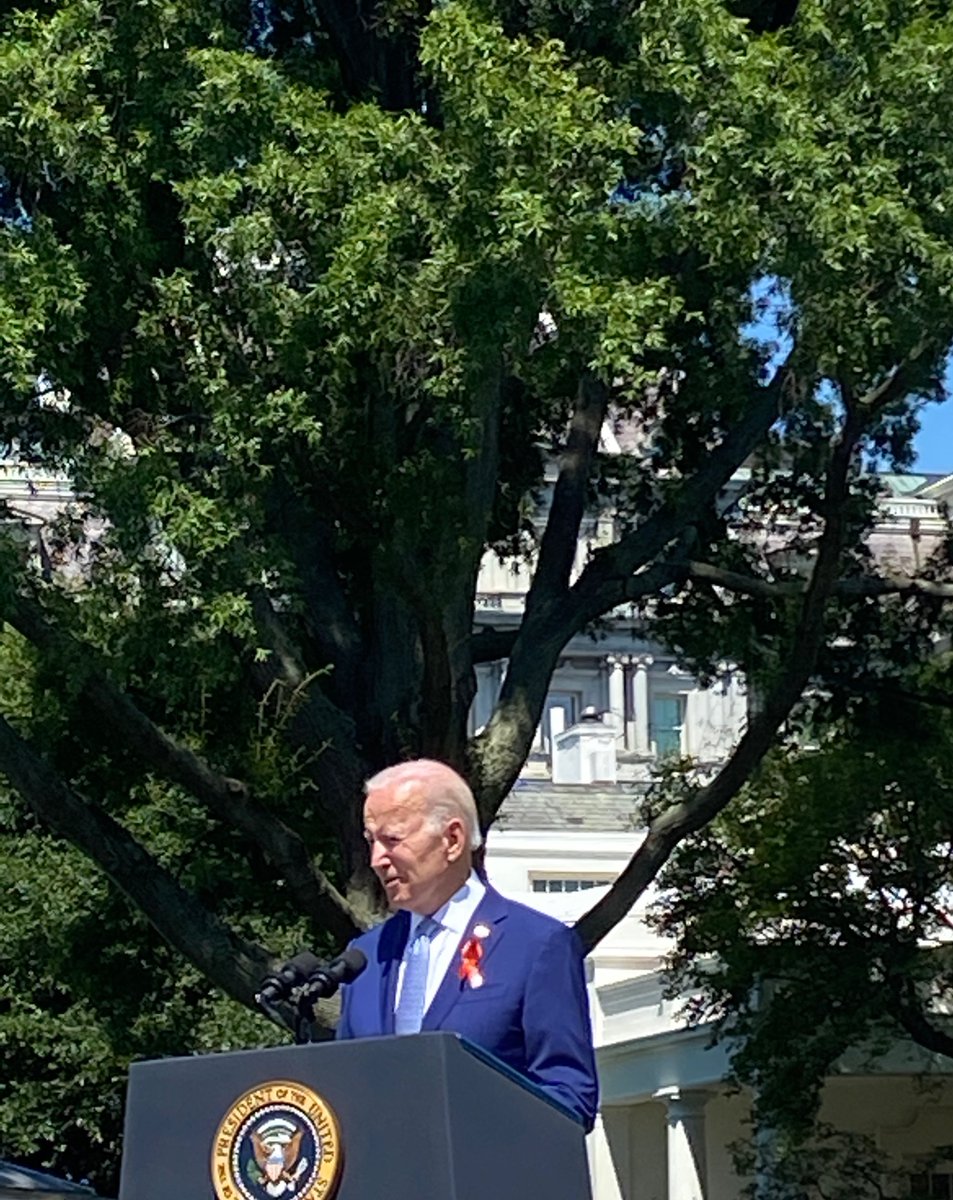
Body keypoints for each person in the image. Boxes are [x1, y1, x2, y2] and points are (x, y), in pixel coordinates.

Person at [335, 758, 598, 1131]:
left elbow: (569, 1096)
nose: (377, 859)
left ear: (452, 840)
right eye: (371, 841)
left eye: (392, 839)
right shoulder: (365, 956)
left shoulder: (536, 946)